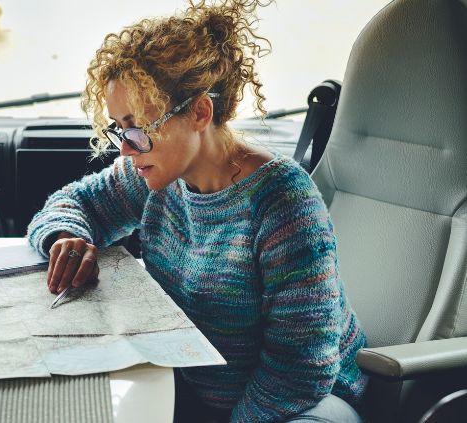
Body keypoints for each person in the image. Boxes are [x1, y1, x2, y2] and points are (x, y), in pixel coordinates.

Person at [27, 1, 367, 422]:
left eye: (137, 128)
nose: (126, 148)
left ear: (199, 113)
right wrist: (66, 239)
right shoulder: (156, 175)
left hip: (304, 403)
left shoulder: (282, 201)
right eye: (119, 129)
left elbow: (301, 367)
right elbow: (71, 203)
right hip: (195, 387)